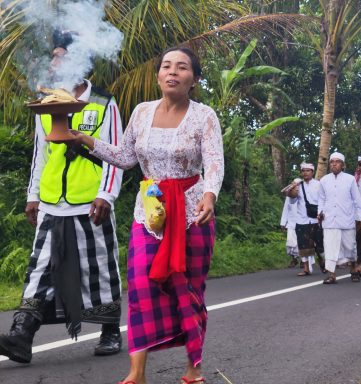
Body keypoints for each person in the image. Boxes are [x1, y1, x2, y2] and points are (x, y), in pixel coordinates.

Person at [70, 47, 223, 384]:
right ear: (158, 75)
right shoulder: (141, 112)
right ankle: (136, 373)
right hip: (150, 213)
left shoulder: (204, 116)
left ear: (194, 79)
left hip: (191, 212)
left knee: (188, 289)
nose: (172, 72)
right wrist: (85, 140)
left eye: (182, 67)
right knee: (140, 286)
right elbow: (125, 158)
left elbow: (213, 162)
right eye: (166, 66)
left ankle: (193, 368)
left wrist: (210, 196)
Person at [0, 30, 124, 364]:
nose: (55, 61)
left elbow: (117, 152)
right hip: (53, 202)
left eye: (62, 55)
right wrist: (33, 195)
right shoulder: (47, 103)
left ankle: (110, 331)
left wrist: (107, 195)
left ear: (81, 58)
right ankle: (21, 335)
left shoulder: (102, 102)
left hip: (90, 200)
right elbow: (41, 154)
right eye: (54, 55)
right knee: (39, 267)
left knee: (98, 267)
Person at [318, 152, 361, 284]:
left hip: (346, 220)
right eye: (332, 161)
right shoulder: (324, 180)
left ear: (343, 165)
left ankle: (354, 270)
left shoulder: (350, 179)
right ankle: (331, 275)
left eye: (337, 161)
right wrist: (320, 212)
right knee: (330, 248)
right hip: (329, 221)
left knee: (350, 247)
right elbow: (321, 200)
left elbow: (357, 200)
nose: (334, 163)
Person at [285, 163, 326, 276]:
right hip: (301, 219)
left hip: (316, 220)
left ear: (312, 172)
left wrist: (322, 214)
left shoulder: (319, 185)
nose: (305, 173)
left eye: (308, 171)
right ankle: (306, 268)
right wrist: (292, 191)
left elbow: (323, 200)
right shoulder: (298, 185)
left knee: (320, 245)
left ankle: (323, 262)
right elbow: (292, 201)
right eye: (303, 171)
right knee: (303, 245)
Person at [280, 196, 300, 267]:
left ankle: (304, 261)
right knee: (290, 242)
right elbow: (286, 209)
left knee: (303, 243)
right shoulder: (289, 195)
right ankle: (294, 259)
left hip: (303, 222)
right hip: (291, 222)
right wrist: (283, 223)